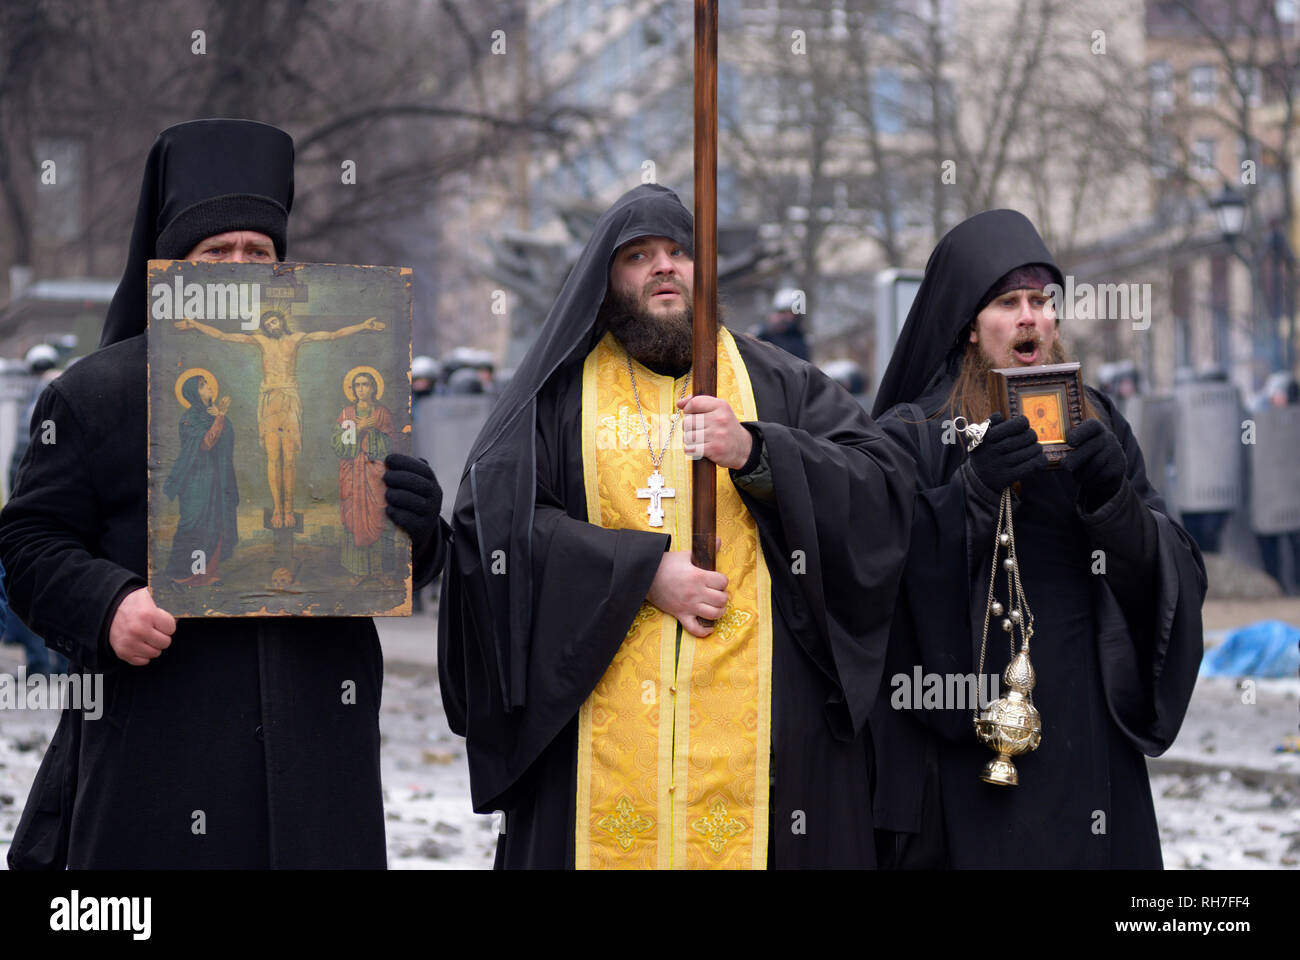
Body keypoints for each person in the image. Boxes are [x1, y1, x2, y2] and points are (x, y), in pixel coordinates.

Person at [0, 118, 447, 869]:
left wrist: (419, 523)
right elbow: (29, 543)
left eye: (258, 252)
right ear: (175, 264)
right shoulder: (93, 392)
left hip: (316, 740)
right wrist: (108, 604)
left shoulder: (342, 385)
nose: (240, 268)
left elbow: (393, 560)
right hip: (160, 737)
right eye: (217, 253)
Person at [438, 184, 913, 869]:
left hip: (765, 762)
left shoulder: (779, 383)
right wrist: (639, 574)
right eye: (639, 256)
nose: (664, 267)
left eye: (679, 251)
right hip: (594, 756)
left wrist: (758, 453)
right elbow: (493, 530)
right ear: (607, 280)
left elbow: (882, 492)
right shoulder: (558, 399)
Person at [869, 209, 1206, 868]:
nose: (1031, 318)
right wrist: (969, 494)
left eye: (1042, 301)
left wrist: (1115, 505)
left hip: (1084, 724)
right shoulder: (913, 432)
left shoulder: (1099, 418)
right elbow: (877, 565)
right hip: (966, 734)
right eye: (1007, 302)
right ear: (969, 323)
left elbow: (1169, 571)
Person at [174, 308, 385, 528]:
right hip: (268, 400)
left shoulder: (296, 339)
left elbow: (332, 335)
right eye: (267, 324)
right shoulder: (260, 341)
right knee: (273, 456)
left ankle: (289, 508)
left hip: (290, 400)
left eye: (274, 322)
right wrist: (196, 324)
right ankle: (277, 509)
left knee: (290, 457)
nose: (271, 327)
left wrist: (362, 325)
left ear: (282, 322)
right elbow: (223, 336)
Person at [161, 372, 238, 586]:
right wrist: (220, 417)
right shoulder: (189, 418)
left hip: (217, 479)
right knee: (193, 524)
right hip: (195, 479)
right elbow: (206, 444)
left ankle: (206, 574)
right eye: (203, 385)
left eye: (207, 384)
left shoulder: (214, 414)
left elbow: (227, 440)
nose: (209, 388)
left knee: (215, 523)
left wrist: (220, 417)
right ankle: (180, 575)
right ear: (193, 393)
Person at [333, 370, 397, 584]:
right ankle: (357, 570)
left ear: (373, 388)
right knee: (354, 517)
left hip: (375, 472)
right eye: (357, 385)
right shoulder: (347, 414)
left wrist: (376, 430)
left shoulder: (382, 414)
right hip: (352, 473)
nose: (361, 389)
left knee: (378, 515)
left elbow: (389, 446)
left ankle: (379, 570)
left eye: (365, 384)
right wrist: (359, 429)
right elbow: (341, 446)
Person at [756, 287, 811, 361]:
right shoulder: (762, 334)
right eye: (782, 312)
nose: (787, 317)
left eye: (791, 313)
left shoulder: (800, 339)